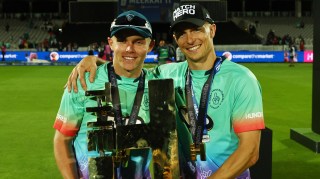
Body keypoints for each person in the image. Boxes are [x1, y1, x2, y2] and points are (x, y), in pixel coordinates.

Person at [67, 3, 265, 179]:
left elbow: (250, 151)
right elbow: (130, 70)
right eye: (181, 33)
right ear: (174, 38)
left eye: (196, 29)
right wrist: (94, 61)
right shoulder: (167, 73)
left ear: (212, 30)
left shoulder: (240, 79)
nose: (189, 39)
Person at [53, 10, 155, 179]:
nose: (129, 49)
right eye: (122, 41)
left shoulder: (159, 83)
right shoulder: (84, 81)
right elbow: (62, 140)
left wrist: (95, 59)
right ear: (111, 43)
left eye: (138, 42)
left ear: (150, 46)